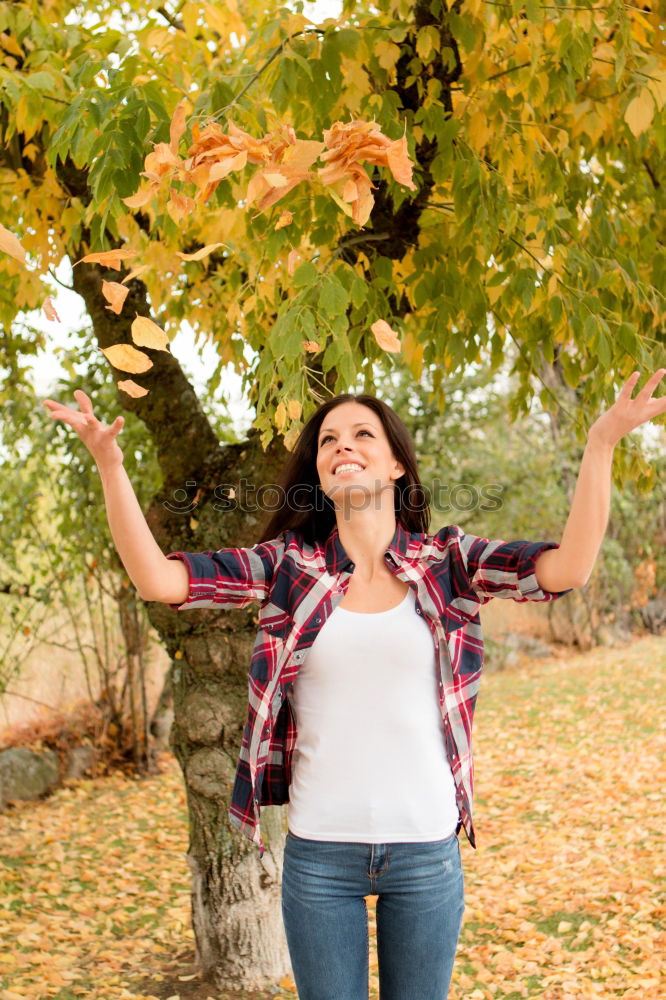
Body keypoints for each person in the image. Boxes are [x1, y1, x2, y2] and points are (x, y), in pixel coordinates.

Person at [43, 370, 665, 1000]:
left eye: (362, 434)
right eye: (329, 439)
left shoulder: (448, 563)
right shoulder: (285, 567)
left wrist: (602, 444)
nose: (343, 445)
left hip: (426, 850)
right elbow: (159, 581)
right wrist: (110, 466)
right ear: (319, 472)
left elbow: (569, 568)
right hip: (320, 855)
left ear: (396, 464)